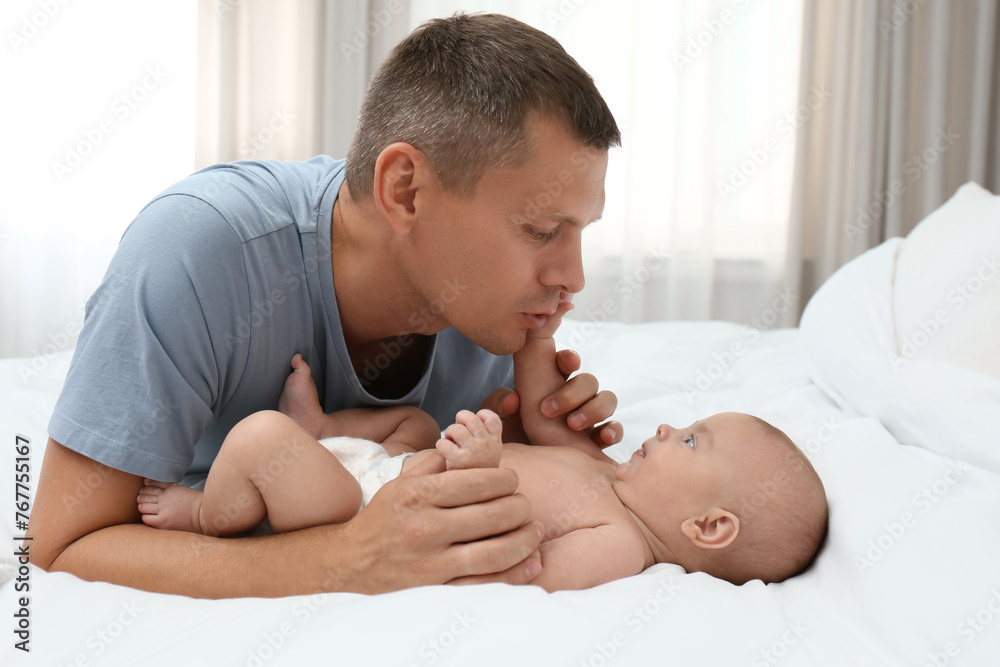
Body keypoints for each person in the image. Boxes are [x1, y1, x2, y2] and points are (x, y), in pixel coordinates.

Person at [27, 13, 624, 597]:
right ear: (405, 191)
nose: (572, 278)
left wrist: (533, 446)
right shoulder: (197, 252)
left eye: (580, 233)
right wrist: (345, 560)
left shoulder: (489, 316)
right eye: (541, 229)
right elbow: (60, 547)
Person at [137, 306, 829, 591]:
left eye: (689, 439)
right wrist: (537, 338)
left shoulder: (620, 543)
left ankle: (206, 515)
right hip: (390, 466)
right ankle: (323, 435)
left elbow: (518, 567)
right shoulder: (609, 472)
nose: (662, 429)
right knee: (409, 418)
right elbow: (543, 412)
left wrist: (477, 471)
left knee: (260, 436)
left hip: (356, 511)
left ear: (708, 526)